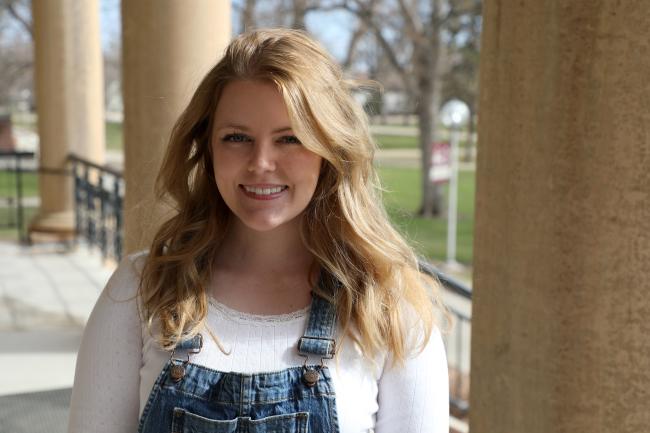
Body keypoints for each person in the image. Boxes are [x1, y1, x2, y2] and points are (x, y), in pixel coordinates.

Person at [68, 28, 449, 433]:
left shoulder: (387, 305)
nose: (261, 163)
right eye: (237, 138)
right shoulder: (140, 291)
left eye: (290, 139)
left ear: (330, 152)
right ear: (208, 148)